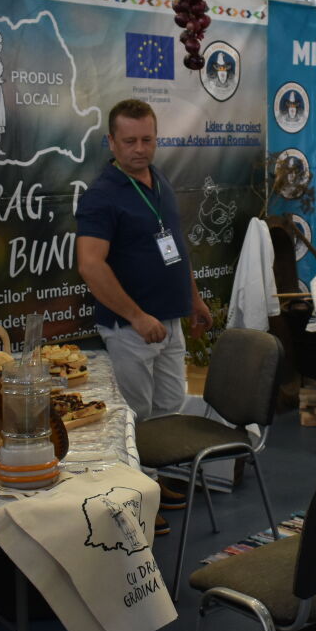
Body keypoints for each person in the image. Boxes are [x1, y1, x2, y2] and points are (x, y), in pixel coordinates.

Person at [76, 99, 212, 424]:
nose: (140, 149)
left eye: (147, 140)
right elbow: (90, 265)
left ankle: (164, 461)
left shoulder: (159, 180)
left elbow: (174, 247)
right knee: (135, 420)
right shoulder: (101, 196)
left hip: (171, 322)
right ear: (111, 142)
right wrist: (137, 317)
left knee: (171, 412)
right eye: (130, 141)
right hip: (130, 330)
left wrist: (193, 299)